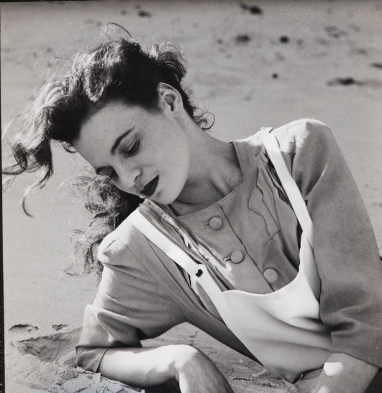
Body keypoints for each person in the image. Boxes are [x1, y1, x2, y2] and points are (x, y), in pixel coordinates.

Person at [3, 36, 382, 393]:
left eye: (131, 147)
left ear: (168, 101)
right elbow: (95, 351)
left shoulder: (300, 153)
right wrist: (180, 358)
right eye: (109, 172)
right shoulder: (141, 249)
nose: (129, 178)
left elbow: (365, 322)